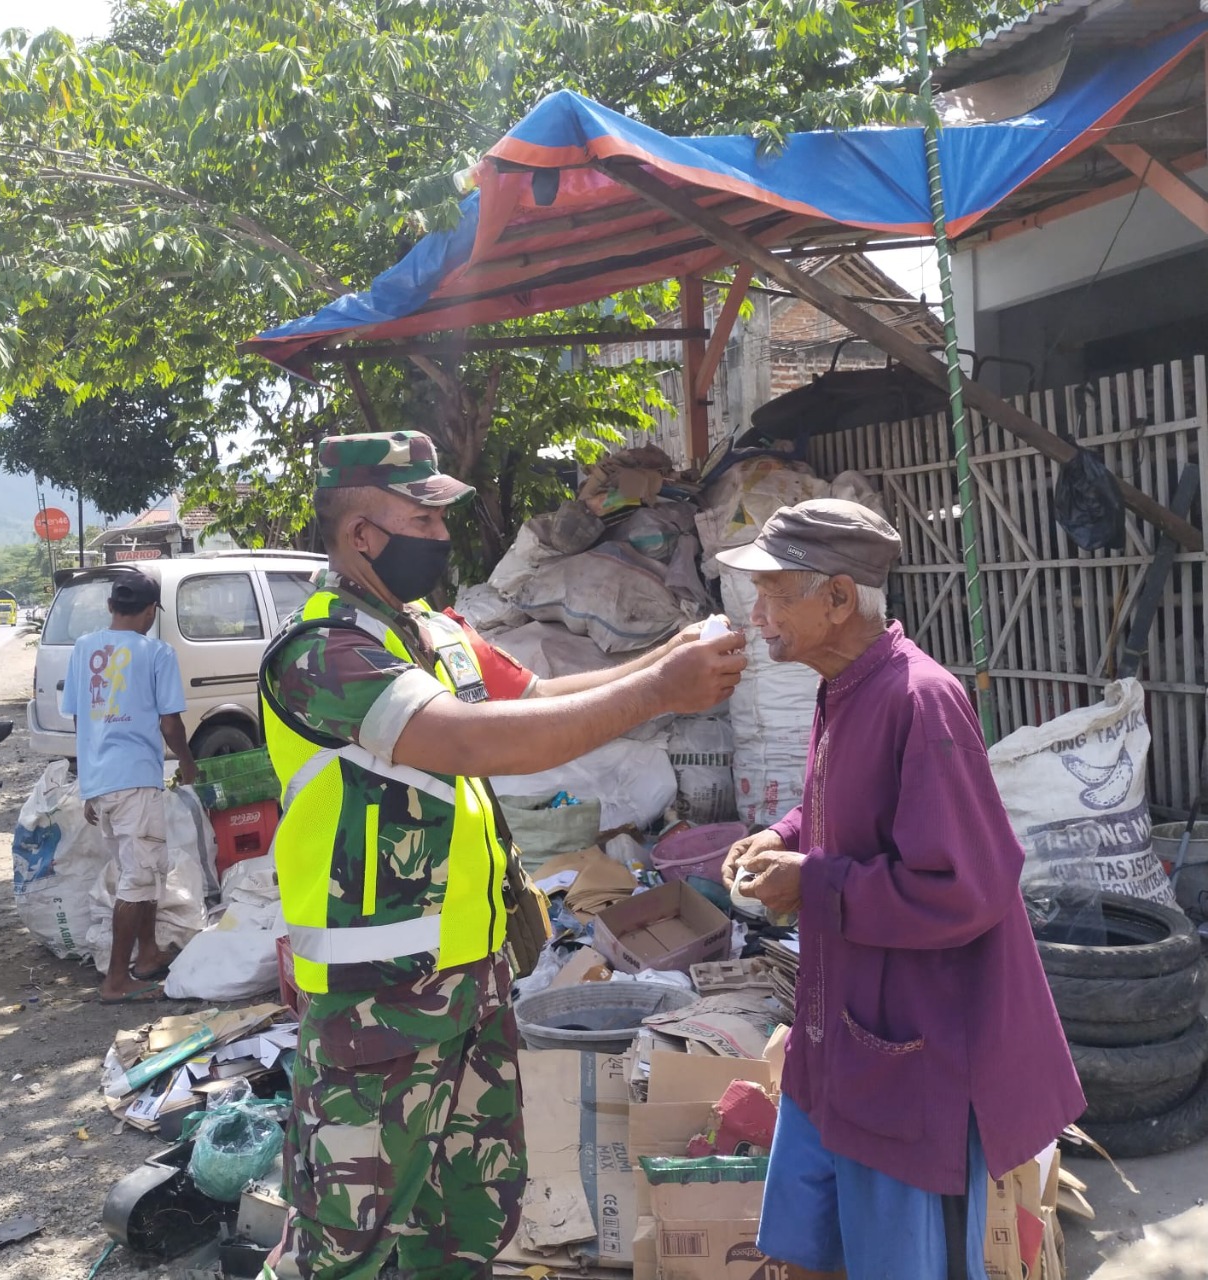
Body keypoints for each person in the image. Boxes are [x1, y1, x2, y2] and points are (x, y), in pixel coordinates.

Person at [259, 430, 745, 1280]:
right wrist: (662, 690)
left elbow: (537, 695)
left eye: (445, 519)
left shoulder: (437, 634)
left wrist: (667, 656)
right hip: (378, 1006)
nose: (441, 538)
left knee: (466, 1219)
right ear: (362, 535)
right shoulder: (322, 654)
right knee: (344, 1244)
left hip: (474, 987)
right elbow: (471, 738)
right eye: (422, 518)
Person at [718, 498, 1084, 1280]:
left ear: (840, 599)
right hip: (836, 1040)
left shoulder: (919, 699)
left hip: (911, 1056)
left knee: (902, 1263)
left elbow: (965, 887)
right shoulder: (845, 685)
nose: (758, 615)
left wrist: (809, 881)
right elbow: (848, 814)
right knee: (810, 1249)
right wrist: (782, 836)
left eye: (777, 594)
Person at [61, 571, 198, 1004]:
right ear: (150, 611)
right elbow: (170, 722)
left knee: (141, 872)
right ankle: (117, 981)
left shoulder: (83, 650)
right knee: (137, 882)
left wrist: (87, 783)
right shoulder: (156, 652)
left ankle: (150, 954)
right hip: (135, 780)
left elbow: (81, 719)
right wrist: (189, 762)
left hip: (102, 782)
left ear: (109, 607)